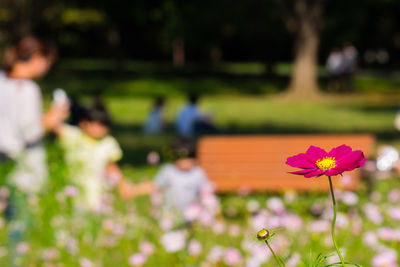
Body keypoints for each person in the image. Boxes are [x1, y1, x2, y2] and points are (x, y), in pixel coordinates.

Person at [0, 35, 64, 193]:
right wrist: (52, 118)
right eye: (47, 62)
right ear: (37, 58)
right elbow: (30, 131)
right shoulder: (28, 89)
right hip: (23, 171)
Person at [53, 98, 139, 212]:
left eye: (103, 125)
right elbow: (55, 126)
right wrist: (59, 110)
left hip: (97, 196)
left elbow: (112, 167)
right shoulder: (74, 136)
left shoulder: (108, 143)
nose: (99, 129)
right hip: (73, 194)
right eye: (95, 124)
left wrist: (123, 187)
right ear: (83, 123)